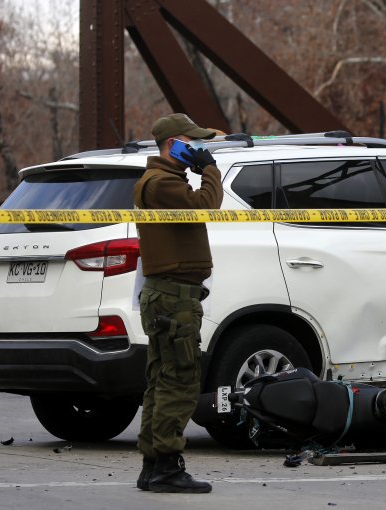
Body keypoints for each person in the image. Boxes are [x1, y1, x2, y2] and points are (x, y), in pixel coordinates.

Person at [134, 113, 223, 494]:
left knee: (161, 379)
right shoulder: (162, 184)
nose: (200, 150)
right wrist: (211, 169)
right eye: (194, 143)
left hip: (169, 295)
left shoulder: (160, 181)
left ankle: (153, 464)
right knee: (179, 381)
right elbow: (207, 205)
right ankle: (167, 465)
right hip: (174, 298)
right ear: (174, 146)